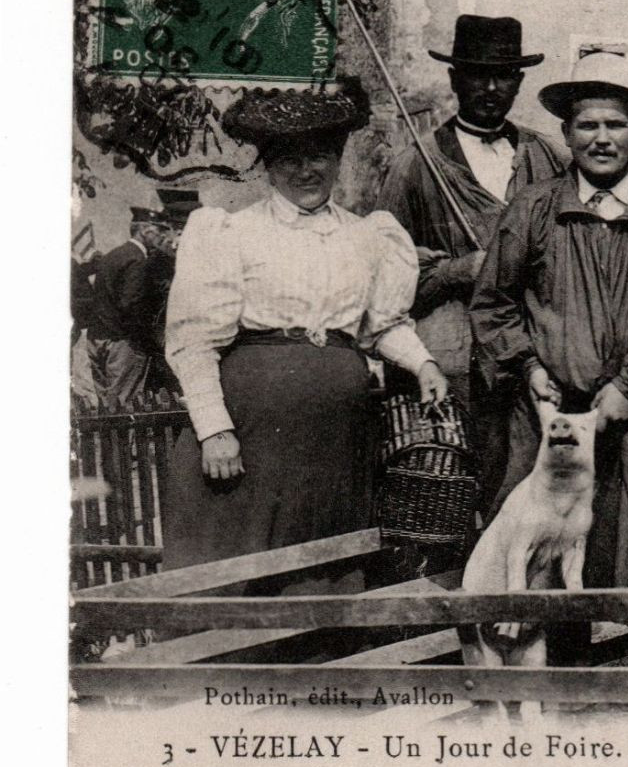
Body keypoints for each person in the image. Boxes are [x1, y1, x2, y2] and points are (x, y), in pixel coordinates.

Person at [470, 53, 628, 668]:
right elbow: (494, 304)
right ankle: (565, 674)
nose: (601, 139)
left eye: (615, 124)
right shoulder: (532, 210)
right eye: (587, 125)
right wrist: (528, 368)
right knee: (553, 543)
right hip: (554, 416)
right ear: (565, 133)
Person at [163, 83, 449, 582]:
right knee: (246, 562)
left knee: (325, 562)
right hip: (253, 430)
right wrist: (215, 429)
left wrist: (421, 362)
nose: (305, 171)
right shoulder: (231, 231)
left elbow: (380, 325)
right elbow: (194, 341)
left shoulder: (367, 235)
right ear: (268, 166)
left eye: (318, 156)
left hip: (336, 437)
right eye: (289, 159)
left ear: (337, 160)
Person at [377, 14, 568, 514]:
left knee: (529, 499)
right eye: (476, 73)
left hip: (530, 357)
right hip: (454, 363)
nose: (490, 86)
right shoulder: (416, 165)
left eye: (503, 74)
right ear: (453, 78)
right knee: (453, 502)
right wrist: (460, 271)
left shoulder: (544, 157)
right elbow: (385, 286)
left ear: (519, 81)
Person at [81, 197, 190, 409]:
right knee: (124, 403)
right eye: (158, 231)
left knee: (107, 403)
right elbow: (131, 305)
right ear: (144, 231)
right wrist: (145, 342)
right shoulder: (138, 259)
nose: (161, 236)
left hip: (97, 338)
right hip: (122, 342)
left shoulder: (113, 255)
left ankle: (110, 442)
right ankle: (124, 443)